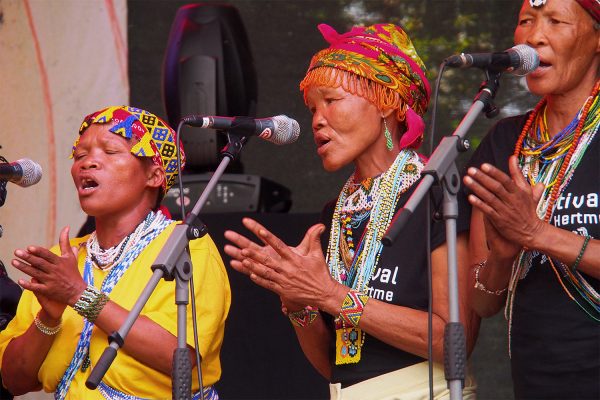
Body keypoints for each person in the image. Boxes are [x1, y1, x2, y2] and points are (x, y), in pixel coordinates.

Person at [224, 23, 478, 399]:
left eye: (331, 100)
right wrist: (299, 303)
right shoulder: (335, 214)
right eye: (312, 108)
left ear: (388, 101)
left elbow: (451, 341)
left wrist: (330, 295)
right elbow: (335, 363)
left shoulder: (436, 193)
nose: (317, 120)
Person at [0, 106, 231, 399]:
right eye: (80, 155)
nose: (88, 163)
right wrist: (48, 316)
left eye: (109, 151)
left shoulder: (185, 246)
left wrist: (79, 295)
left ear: (155, 175)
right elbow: (14, 381)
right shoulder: (63, 258)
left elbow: (178, 357)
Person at [463, 1, 600, 398]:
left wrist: (536, 234)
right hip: (537, 383)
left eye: (555, 21)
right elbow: (483, 305)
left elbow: (534, 233)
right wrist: (503, 255)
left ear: (596, 39)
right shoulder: (505, 142)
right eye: (526, 21)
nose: (534, 36)